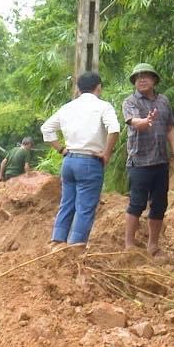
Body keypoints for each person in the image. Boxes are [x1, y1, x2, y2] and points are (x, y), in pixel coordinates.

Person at [41, 71, 120, 249]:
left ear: (78, 88)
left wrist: (60, 148)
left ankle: (57, 240)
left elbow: (46, 128)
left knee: (67, 203)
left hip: (69, 161)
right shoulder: (103, 106)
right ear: (98, 87)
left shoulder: (68, 107)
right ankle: (75, 246)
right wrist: (106, 154)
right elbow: (114, 129)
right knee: (85, 207)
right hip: (89, 162)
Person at [122, 63, 174, 256]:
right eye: (137, 77)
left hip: (161, 162)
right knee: (136, 203)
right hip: (139, 162)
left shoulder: (163, 101)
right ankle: (129, 245)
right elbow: (135, 122)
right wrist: (145, 122)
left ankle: (153, 245)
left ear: (154, 80)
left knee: (160, 205)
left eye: (145, 76)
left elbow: (170, 128)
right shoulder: (130, 102)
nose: (141, 80)